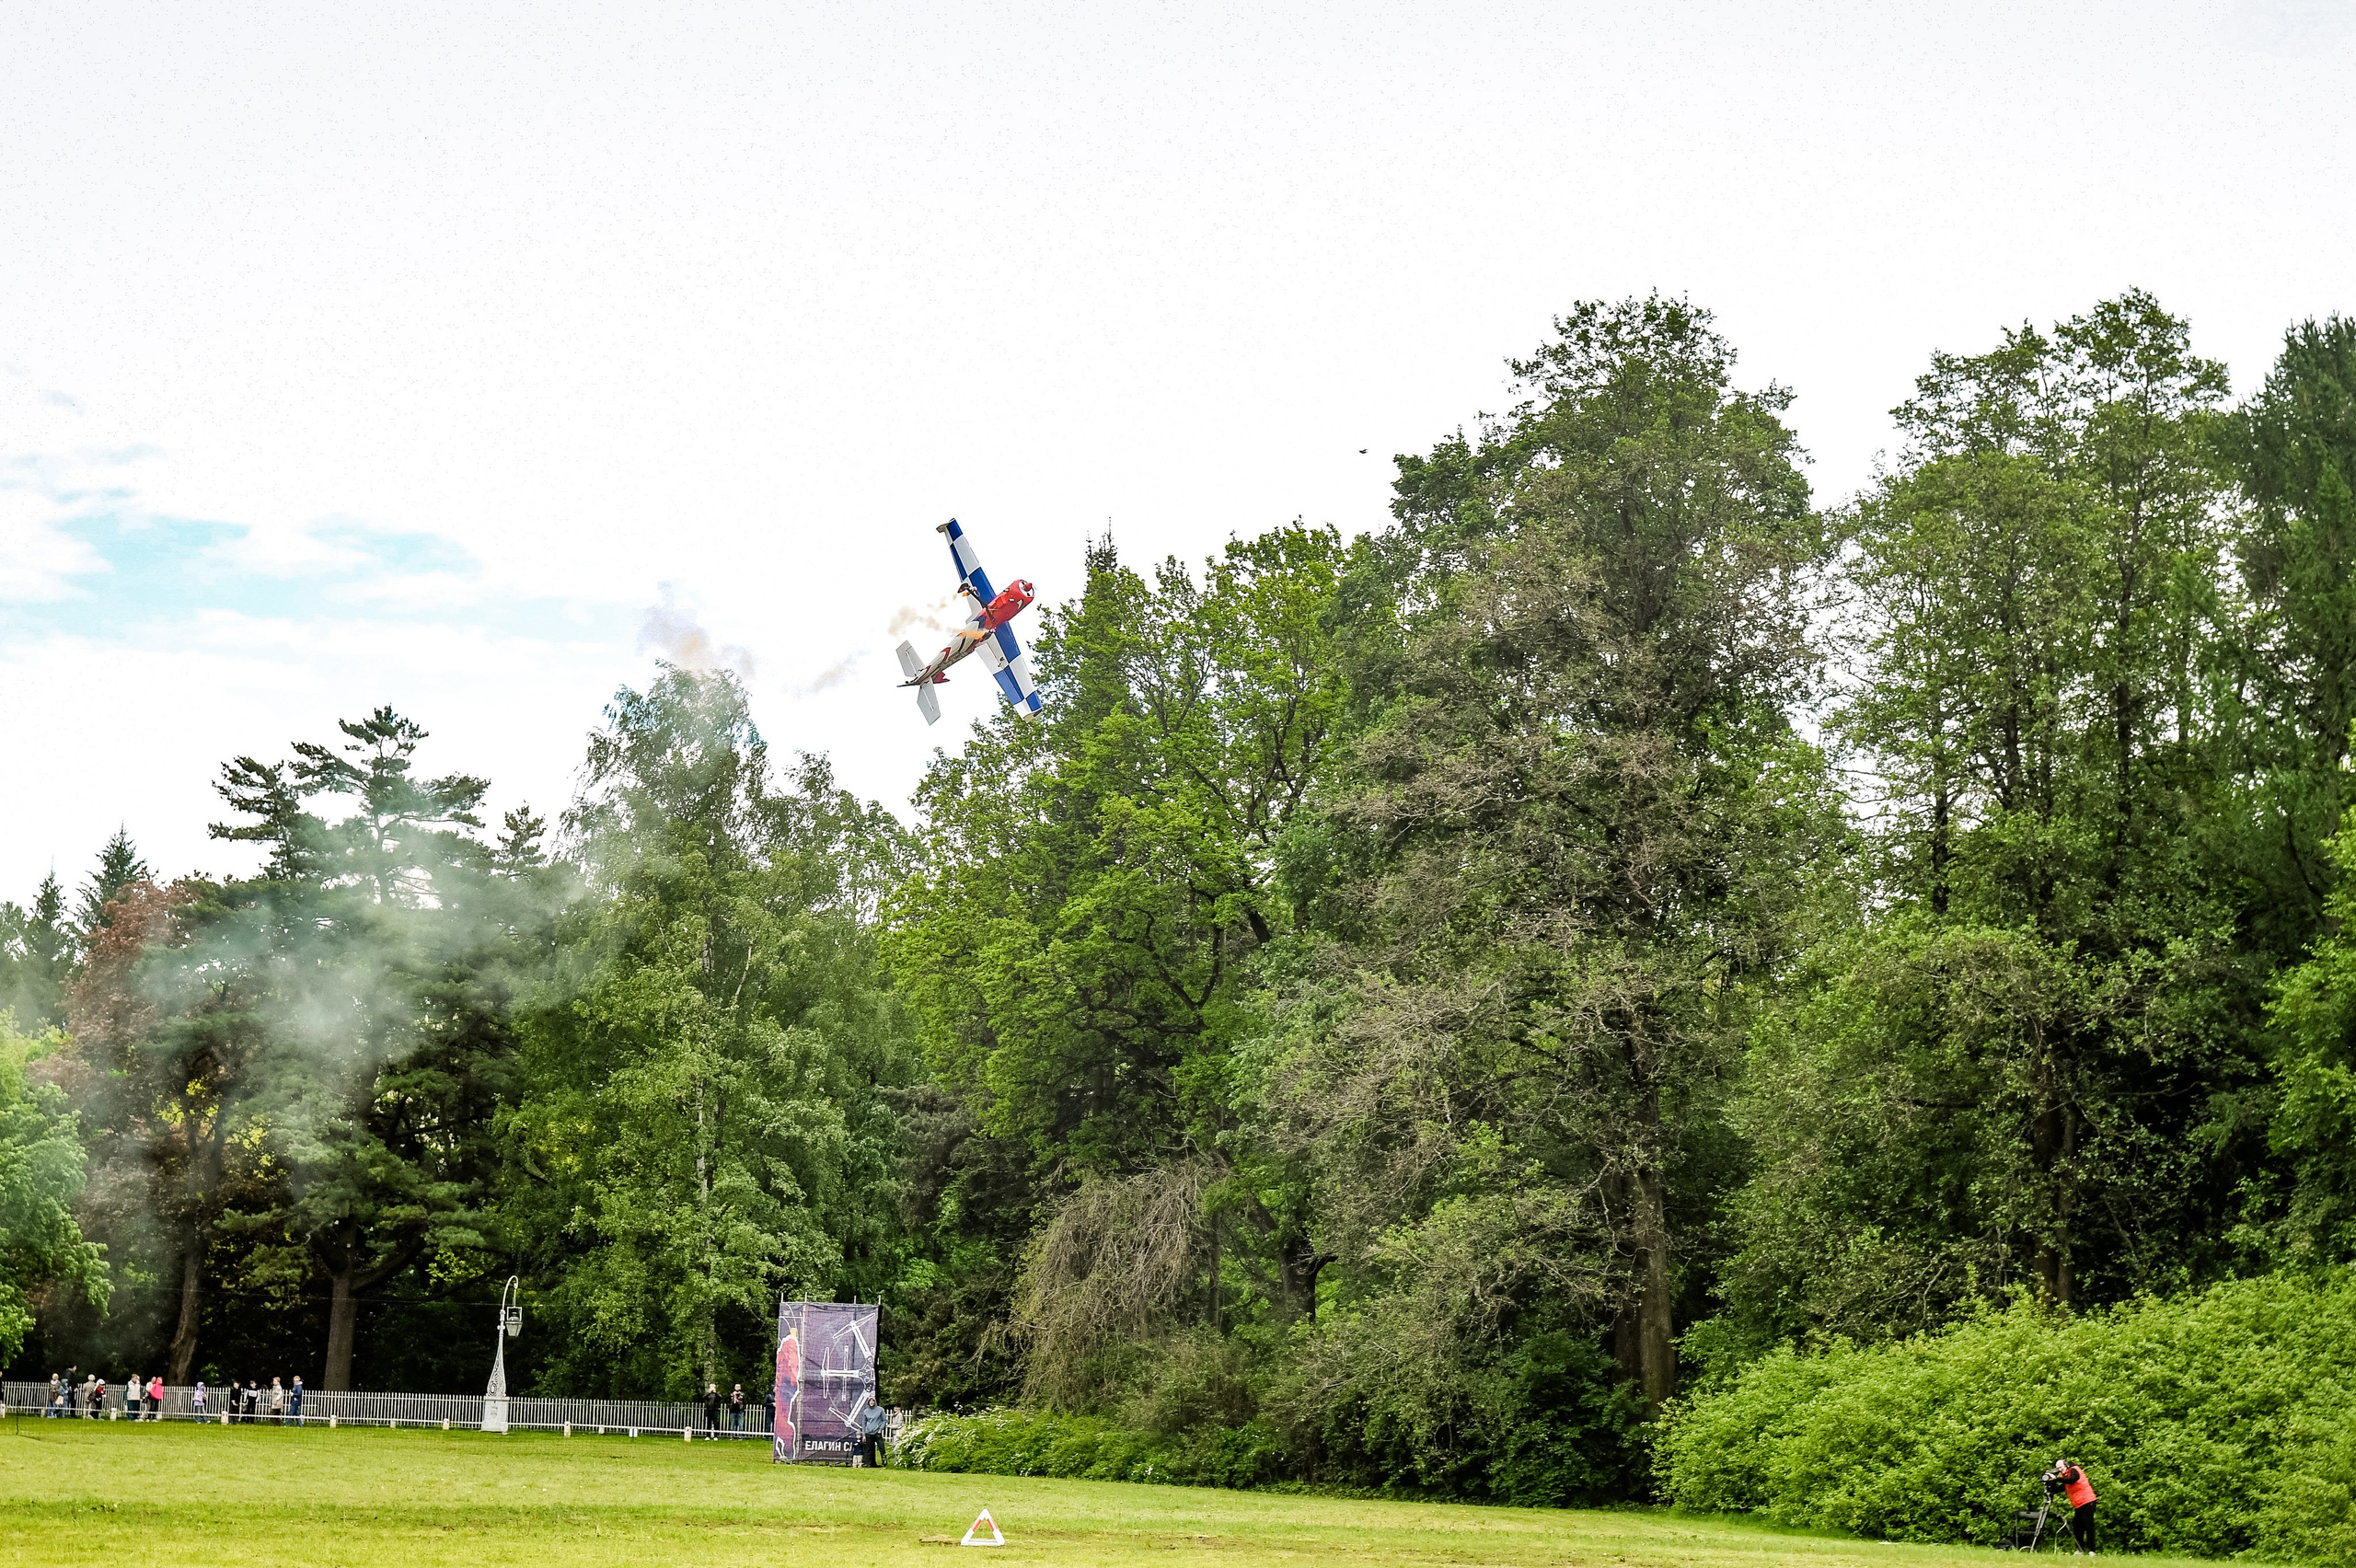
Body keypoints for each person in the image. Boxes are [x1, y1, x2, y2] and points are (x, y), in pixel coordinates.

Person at [2047, 1458, 2098, 1554]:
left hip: (2088, 1501)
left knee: (2088, 1525)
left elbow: (2072, 1480)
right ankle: (2079, 1549)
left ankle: (2092, 1550)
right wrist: (2052, 1481)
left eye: (2061, 1467)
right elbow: (2057, 1489)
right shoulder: (2064, 1476)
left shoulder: (2074, 1470)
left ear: (2066, 1465)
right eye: (2058, 1468)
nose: (2060, 1470)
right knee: (2077, 1526)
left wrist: (2056, 1478)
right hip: (2079, 1504)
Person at [857, 1399, 887, 1469]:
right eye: (870, 1401)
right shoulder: (866, 1411)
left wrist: (880, 1429)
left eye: (873, 1401)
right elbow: (864, 1423)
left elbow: (884, 1420)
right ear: (868, 1403)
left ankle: (884, 1462)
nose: (872, 1402)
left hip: (877, 1432)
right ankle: (870, 1463)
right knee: (869, 1449)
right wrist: (864, 1434)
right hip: (868, 1432)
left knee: (881, 1447)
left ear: (875, 1402)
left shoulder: (880, 1410)